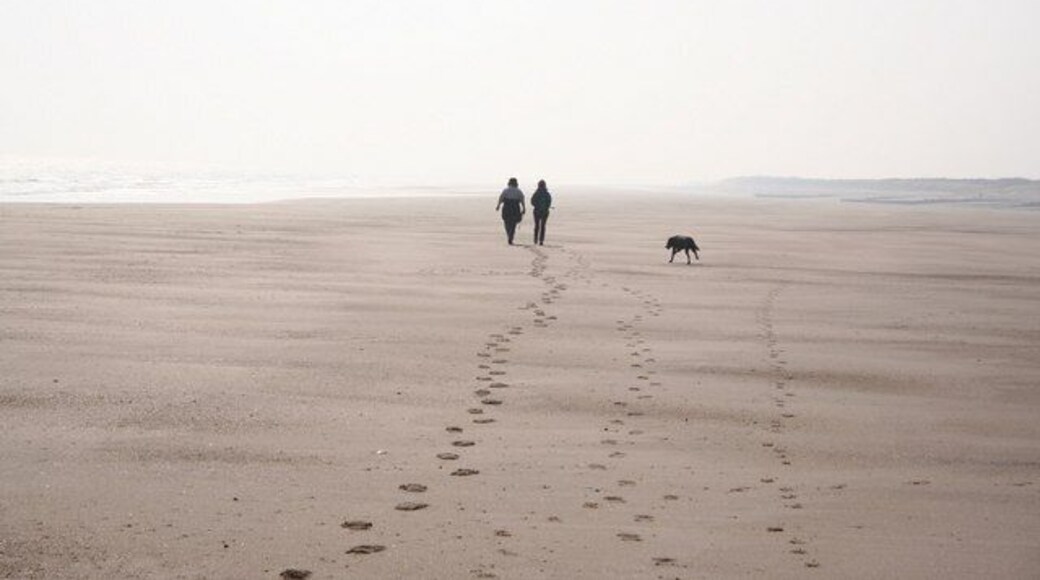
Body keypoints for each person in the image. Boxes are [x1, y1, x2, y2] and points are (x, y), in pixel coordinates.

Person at [496, 177, 525, 245]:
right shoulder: (518, 191)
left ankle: (509, 234)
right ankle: (511, 235)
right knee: (513, 223)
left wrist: (498, 206)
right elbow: (522, 200)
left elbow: (501, 198)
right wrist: (524, 208)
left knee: (506, 222)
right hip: (515, 207)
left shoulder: (506, 190)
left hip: (507, 207)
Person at [530, 179, 552, 245]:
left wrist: (537, 206)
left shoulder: (536, 193)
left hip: (536, 211)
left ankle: (535, 239)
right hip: (545, 211)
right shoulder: (547, 193)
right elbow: (549, 202)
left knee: (537, 225)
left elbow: (532, 202)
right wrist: (546, 207)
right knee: (543, 226)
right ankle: (541, 240)